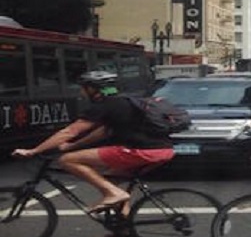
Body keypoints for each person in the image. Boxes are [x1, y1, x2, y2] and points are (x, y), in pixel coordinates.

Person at [12, 71, 175, 216]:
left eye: (83, 88)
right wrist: (71, 146)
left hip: (140, 151)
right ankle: (123, 226)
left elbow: (69, 132)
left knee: (67, 160)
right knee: (111, 180)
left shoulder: (103, 105)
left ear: (93, 89)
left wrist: (33, 151)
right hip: (163, 150)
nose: (81, 92)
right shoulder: (123, 102)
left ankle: (114, 194)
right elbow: (103, 132)